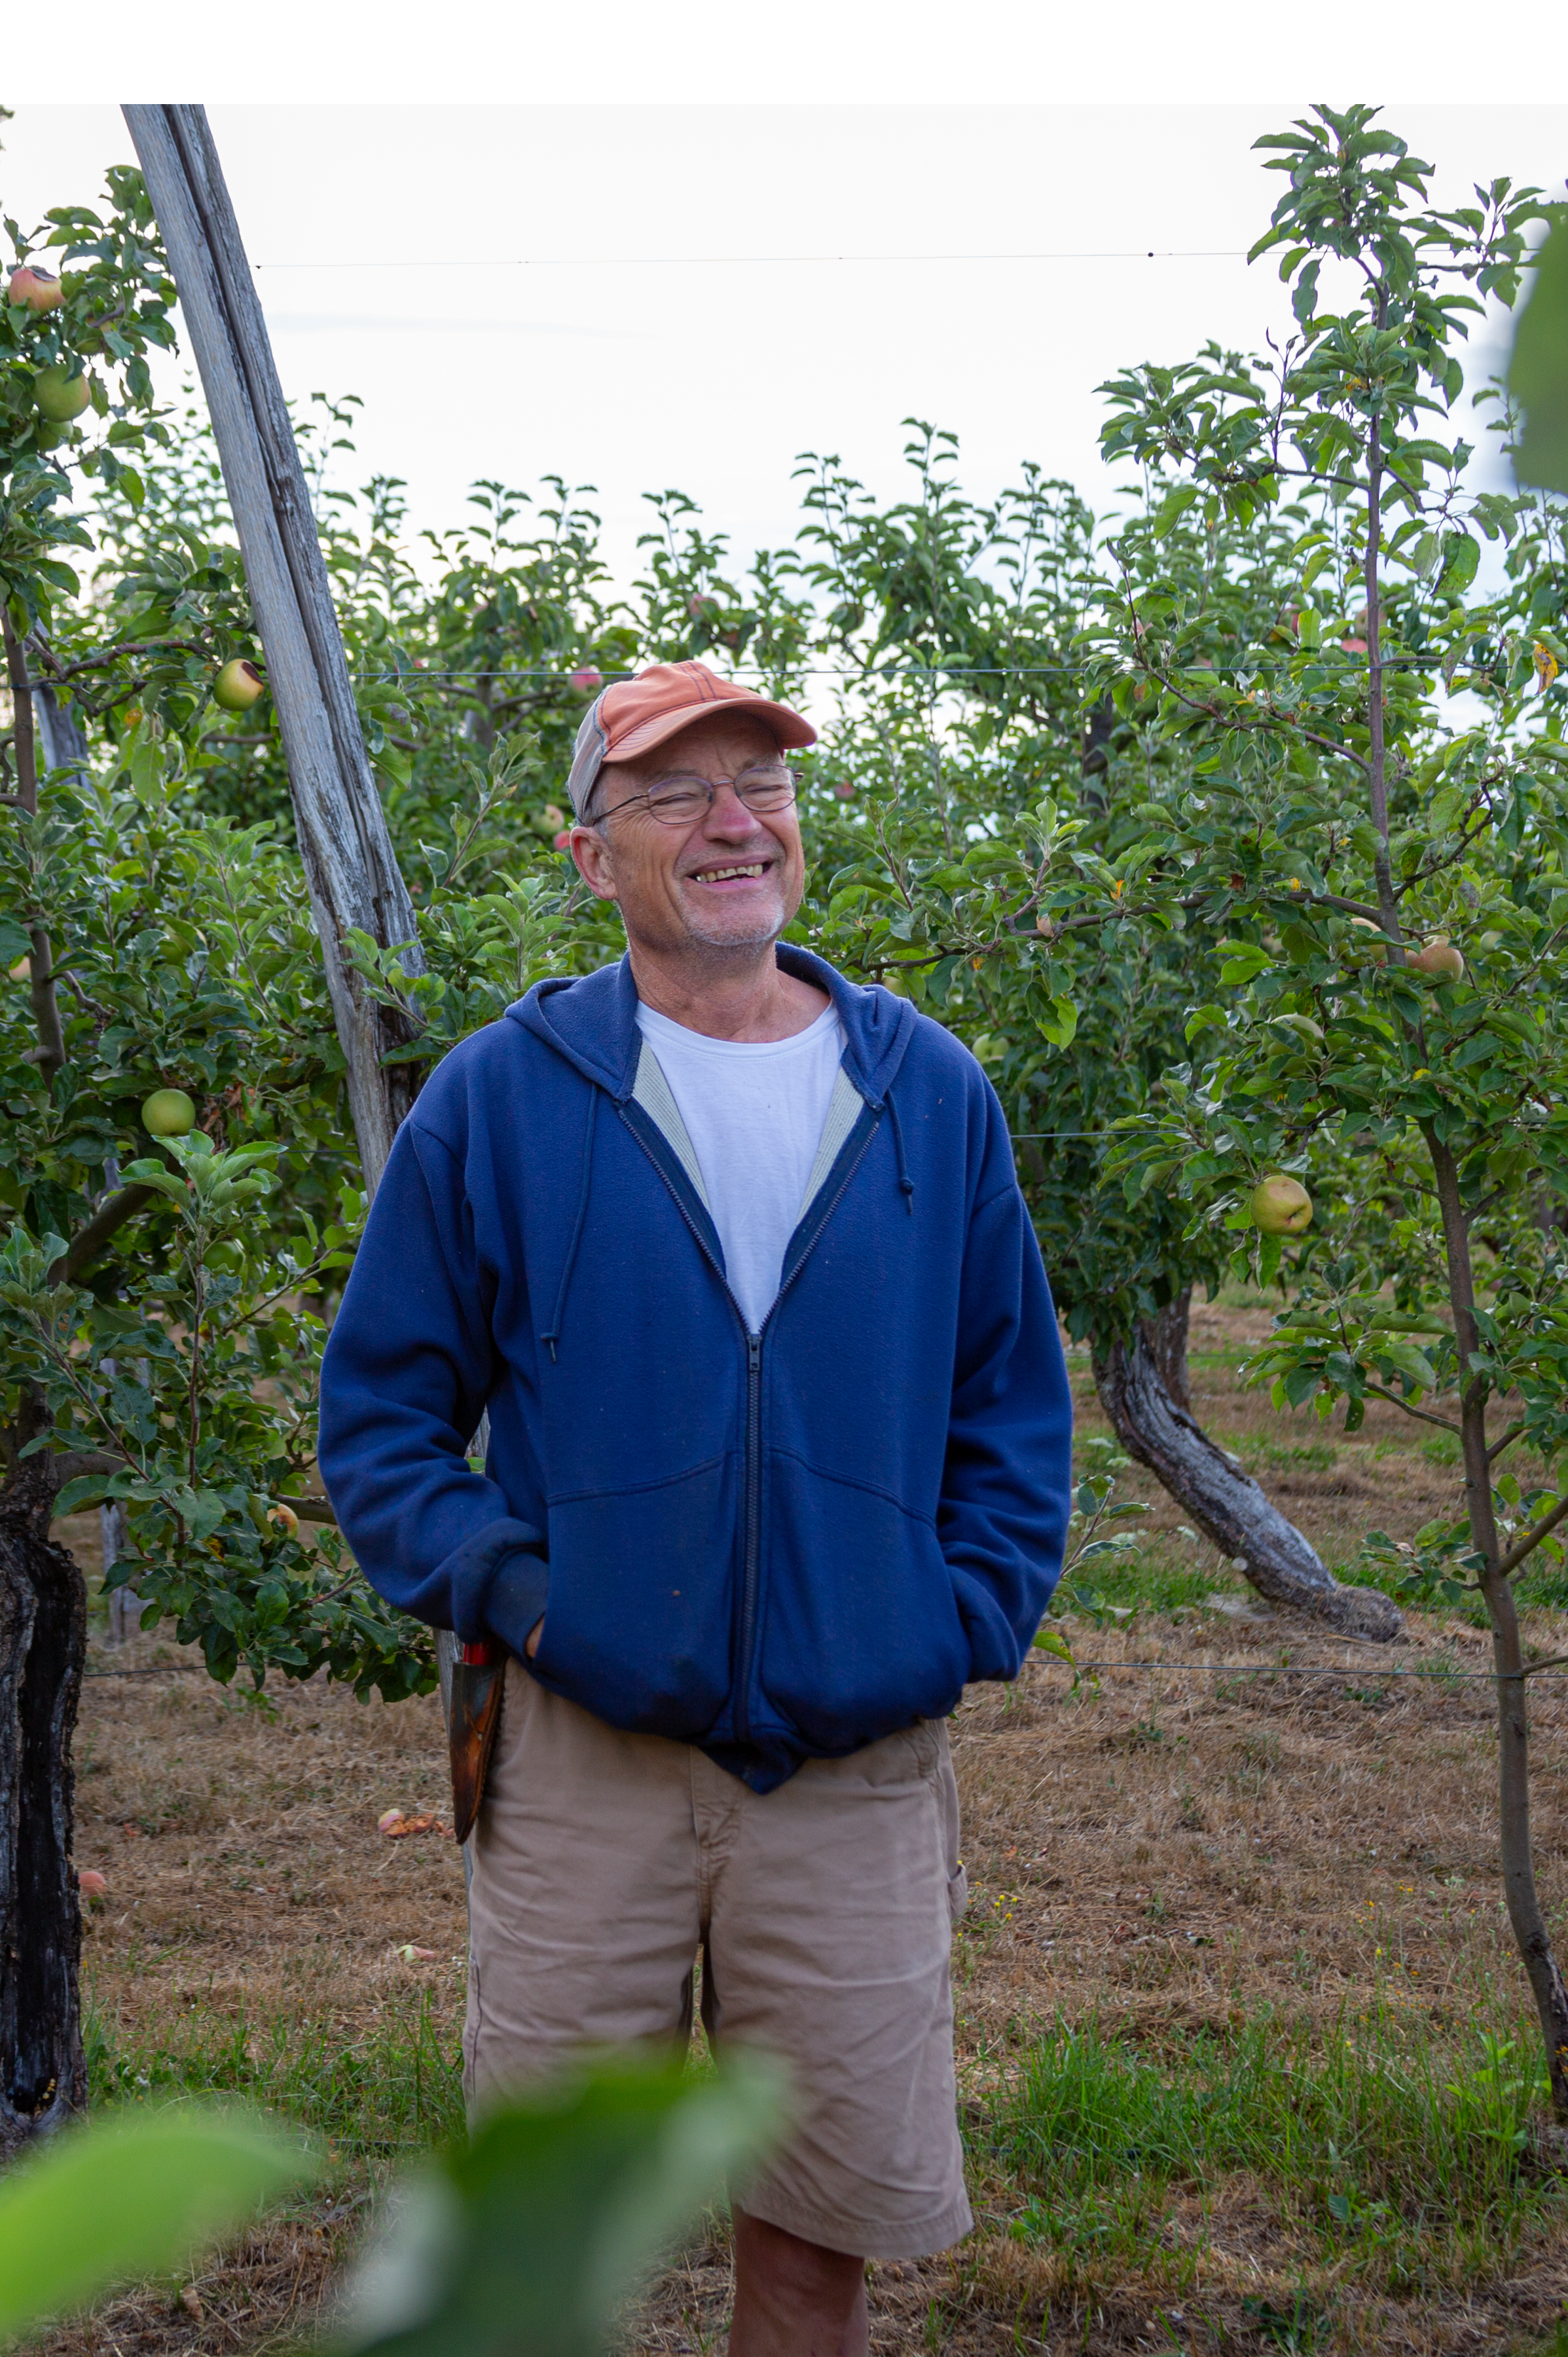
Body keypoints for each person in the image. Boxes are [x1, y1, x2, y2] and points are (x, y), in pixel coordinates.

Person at [319, 659, 1074, 2354]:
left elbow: (1013, 1398)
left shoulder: (925, 1090)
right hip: (583, 1755)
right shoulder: (506, 1099)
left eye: (765, 788)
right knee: (543, 2241)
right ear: (596, 857)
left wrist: (954, 1617)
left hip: (854, 1763)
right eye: (677, 796)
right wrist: (522, 1600)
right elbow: (380, 1422)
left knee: (817, 2230)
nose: (735, 825)